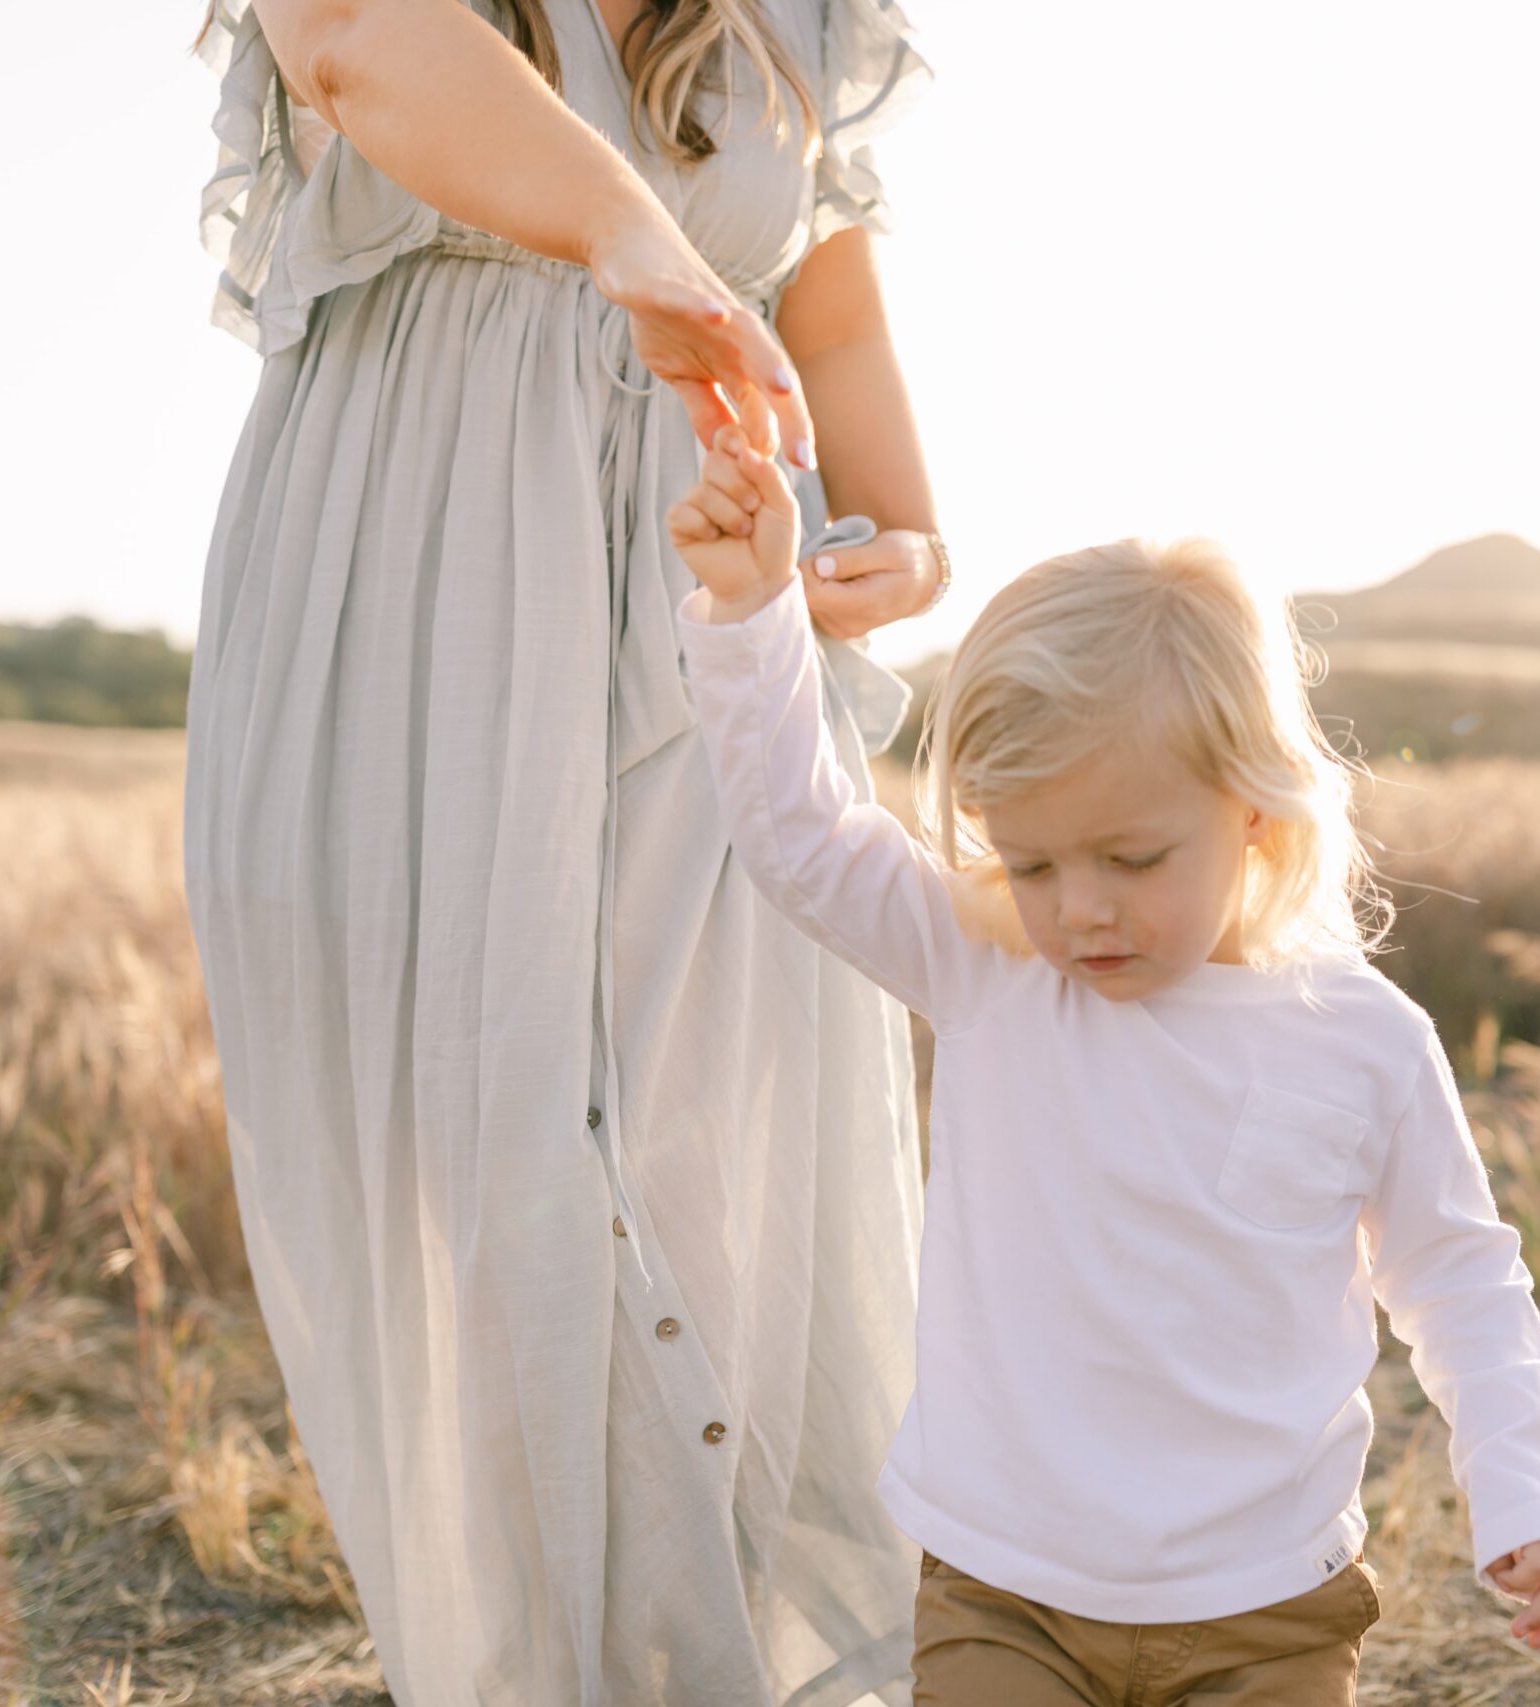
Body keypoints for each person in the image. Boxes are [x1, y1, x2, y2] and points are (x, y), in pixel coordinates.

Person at [181, 2, 940, 1699]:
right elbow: (363, 46)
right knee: (489, 1142)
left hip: (714, 615)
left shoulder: (791, 17)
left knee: (717, 1145)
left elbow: (830, 300)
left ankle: (734, 1654)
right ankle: (540, 1660)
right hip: (415, 584)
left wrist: (901, 531)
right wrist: (632, 239)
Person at [658, 417, 1540, 1704]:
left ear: (1255, 815)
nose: (1079, 910)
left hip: (1264, 1608)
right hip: (1005, 1592)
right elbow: (804, 841)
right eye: (1031, 862)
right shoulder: (991, 968)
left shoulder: (1364, 1042)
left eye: (1131, 859)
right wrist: (752, 608)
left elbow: (1458, 1279)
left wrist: (1521, 1482)